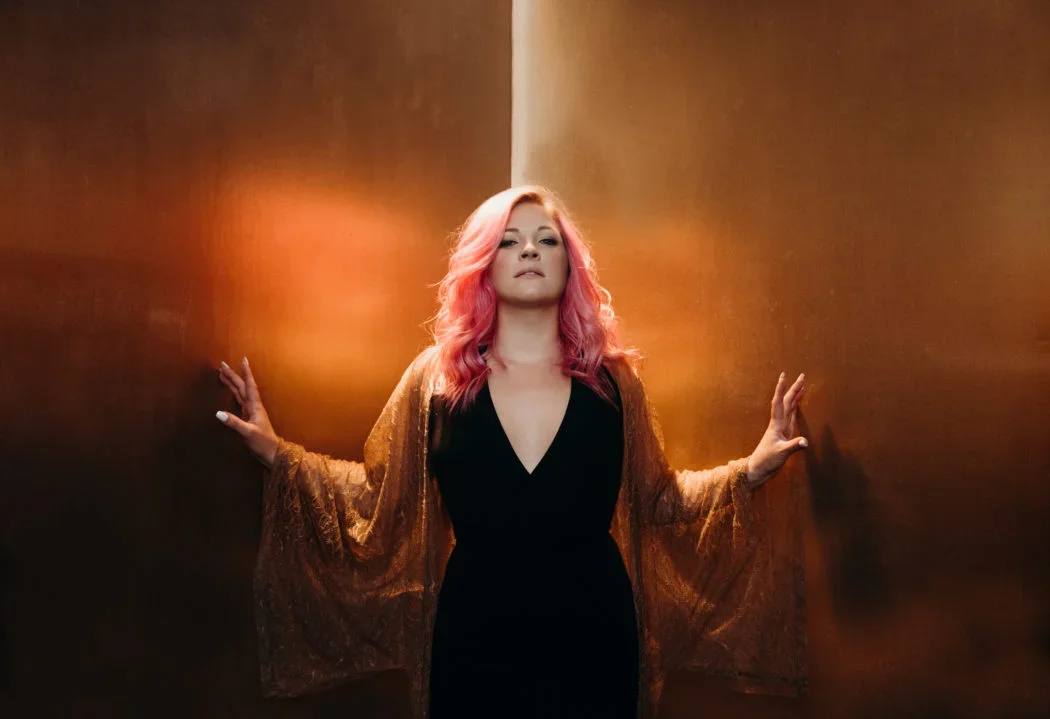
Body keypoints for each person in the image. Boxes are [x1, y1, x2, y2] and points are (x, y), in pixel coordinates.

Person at [215, 186, 809, 719]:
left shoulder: (614, 384)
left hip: (593, 635)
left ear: (568, 268)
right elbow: (379, 496)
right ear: (484, 265)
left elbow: (658, 499)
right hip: (475, 634)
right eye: (509, 241)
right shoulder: (436, 380)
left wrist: (752, 469)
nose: (529, 251)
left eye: (546, 240)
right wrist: (277, 454)